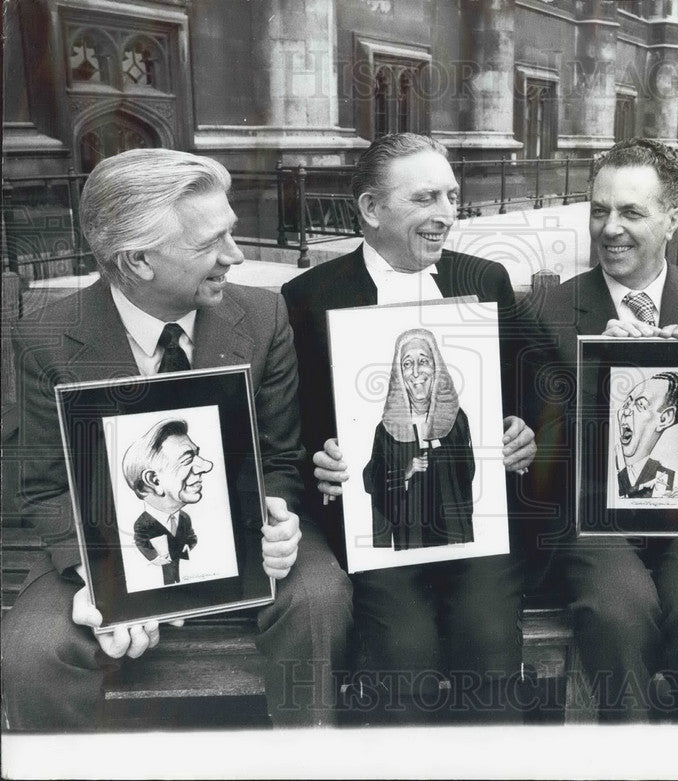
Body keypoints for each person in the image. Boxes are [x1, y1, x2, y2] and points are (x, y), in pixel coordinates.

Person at [1, 148, 352, 729]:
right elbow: (46, 489)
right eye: (209, 244)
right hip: (108, 544)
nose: (234, 257)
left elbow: (279, 459)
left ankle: (306, 760)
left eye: (231, 233)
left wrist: (279, 517)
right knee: (32, 648)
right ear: (138, 259)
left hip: (249, 538)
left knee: (319, 598)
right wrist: (105, 578)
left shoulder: (263, 317)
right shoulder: (49, 337)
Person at [281, 132, 537, 724]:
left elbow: (540, 390)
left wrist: (525, 435)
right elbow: (284, 431)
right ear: (371, 209)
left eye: (451, 196)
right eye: (426, 199)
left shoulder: (486, 281)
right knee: (404, 652)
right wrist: (317, 466)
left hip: (470, 519)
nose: (447, 214)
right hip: (380, 527)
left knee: (490, 638)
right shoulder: (305, 299)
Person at [534, 137, 678, 722]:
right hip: (594, 518)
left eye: (631, 212)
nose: (610, 228)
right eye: (599, 210)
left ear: (673, 219)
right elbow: (541, 455)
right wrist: (599, 382)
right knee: (617, 609)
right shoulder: (552, 313)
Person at [365, 328, 475, 550]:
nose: (415, 372)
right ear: (399, 374)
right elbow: (370, 480)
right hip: (411, 537)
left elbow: (468, 472)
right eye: (407, 364)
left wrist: (442, 456)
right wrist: (405, 472)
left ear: (436, 368)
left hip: (453, 535)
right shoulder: (386, 431)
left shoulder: (457, 420)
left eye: (423, 361)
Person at [123, 419, 210, 584]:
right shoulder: (143, 523)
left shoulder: (184, 517)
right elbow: (141, 542)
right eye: (187, 459)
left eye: (197, 455)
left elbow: (191, 536)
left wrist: (188, 546)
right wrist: (155, 558)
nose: (207, 466)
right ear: (154, 481)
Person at [615, 372, 678, 499]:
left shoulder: (665, 480)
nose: (626, 411)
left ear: (664, 419)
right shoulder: (610, 462)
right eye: (627, 403)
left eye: (640, 404)